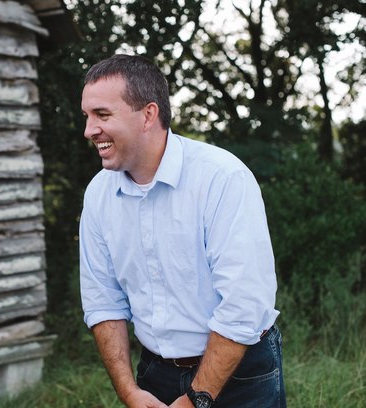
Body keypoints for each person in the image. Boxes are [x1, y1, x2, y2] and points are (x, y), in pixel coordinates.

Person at [79, 54, 286, 408]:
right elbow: (102, 302)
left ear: (148, 114)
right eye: (87, 116)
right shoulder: (99, 194)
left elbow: (244, 304)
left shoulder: (222, 178)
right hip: (153, 375)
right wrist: (129, 391)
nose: (88, 130)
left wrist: (196, 398)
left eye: (102, 115)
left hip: (242, 373)